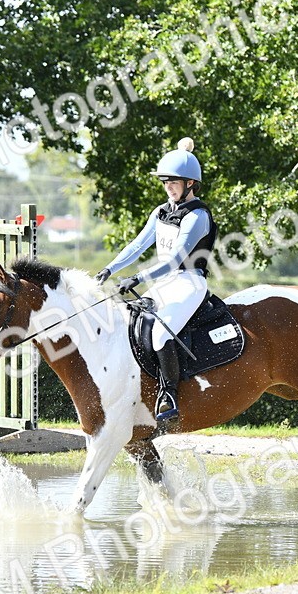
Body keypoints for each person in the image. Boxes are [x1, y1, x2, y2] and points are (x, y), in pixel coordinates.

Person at [96, 137, 216, 422]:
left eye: (174, 182)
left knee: (161, 333)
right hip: (163, 283)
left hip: (188, 283)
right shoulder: (161, 212)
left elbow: (174, 260)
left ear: (190, 184)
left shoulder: (197, 216)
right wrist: (110, 269)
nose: (168, 187)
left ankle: (169, 395)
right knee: (129, 324)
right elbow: (138, 246)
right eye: (165, 182)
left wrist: (137, 278)